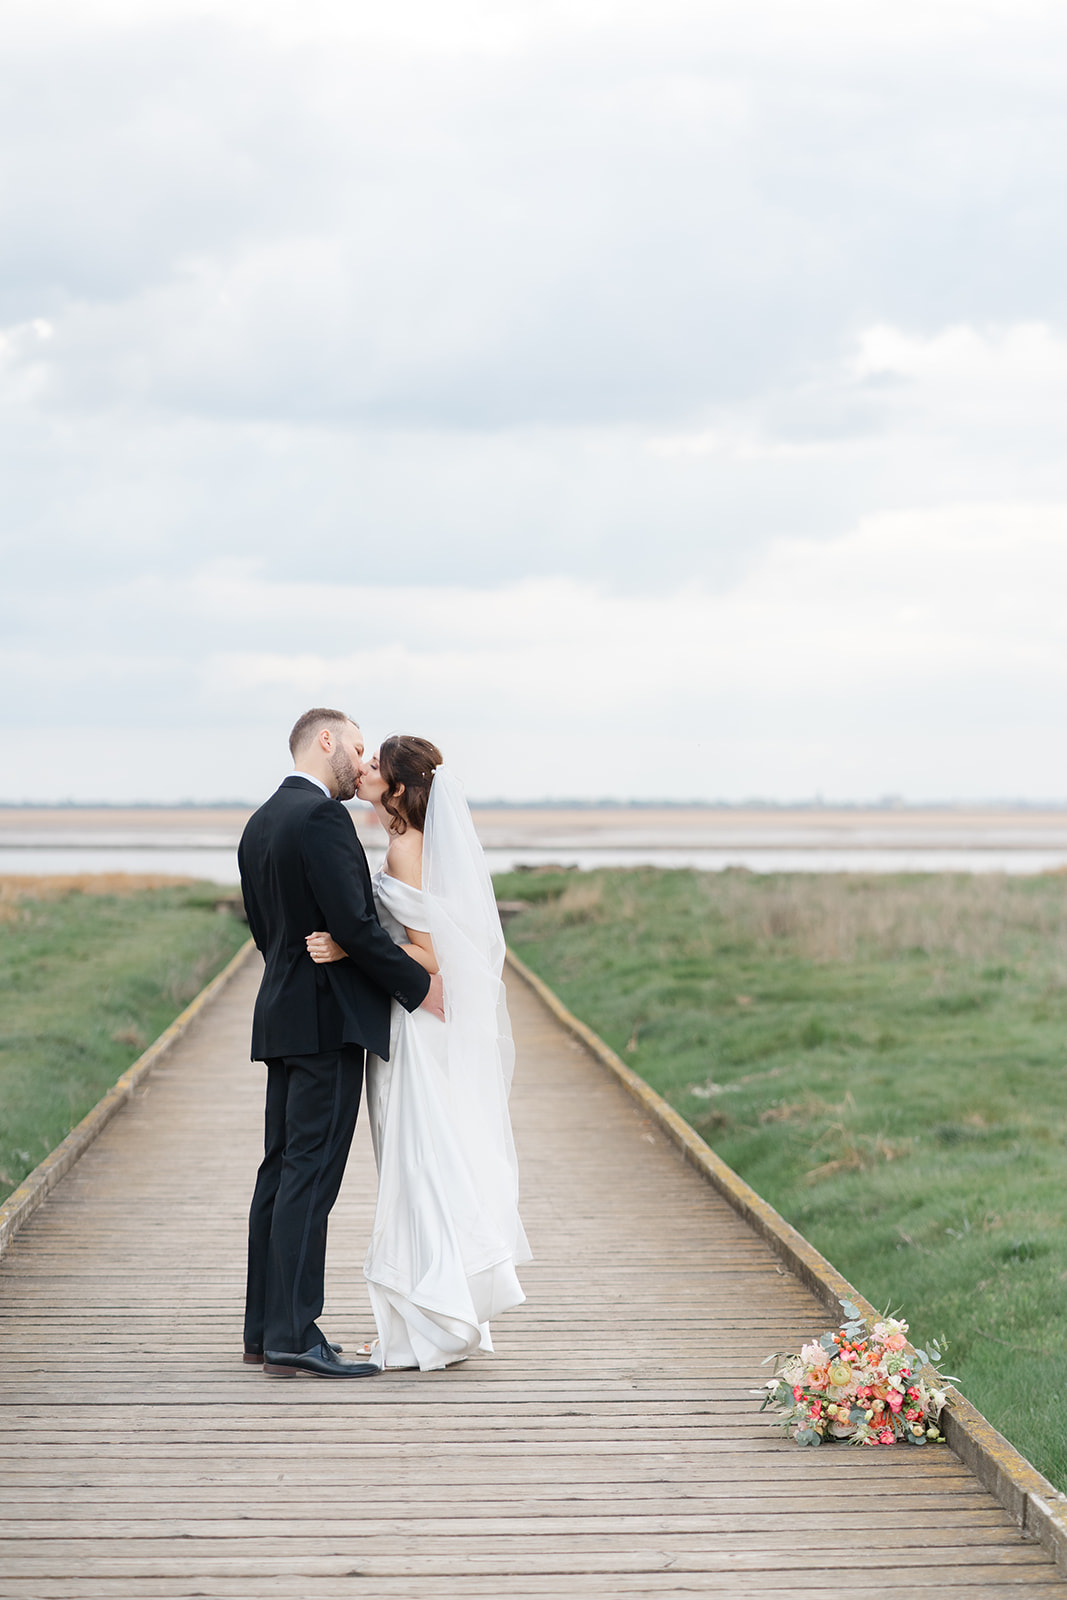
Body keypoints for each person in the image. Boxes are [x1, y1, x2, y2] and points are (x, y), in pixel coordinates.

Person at [306, 735, 529, 1371]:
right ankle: (429, 1312)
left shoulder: (407, 849)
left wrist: (352, 946)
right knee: (418, 1160)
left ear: (398, 790)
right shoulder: (407, 844)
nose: (363, 767)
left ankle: (429, 1319)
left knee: (418, 1162)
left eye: (375, 764)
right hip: (409, 1025)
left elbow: (431, 961)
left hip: (414, 1033)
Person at [238, 709, 444, 1379]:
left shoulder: (262, 819)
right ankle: (294, 1334)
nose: (361, 761)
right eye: (356, 746)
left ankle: (264, 1329)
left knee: (279, 1171)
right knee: (310, 1177)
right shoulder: (322, 818)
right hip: (326, 1023)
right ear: (324, 739)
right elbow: (353, 924)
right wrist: (417, 989)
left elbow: (265, 930)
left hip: (281, 1015)